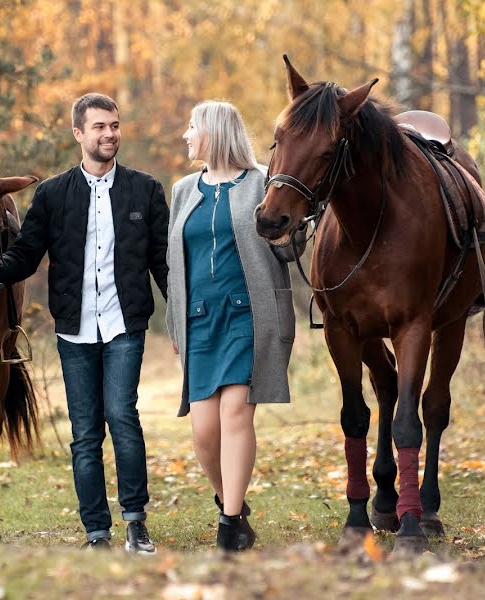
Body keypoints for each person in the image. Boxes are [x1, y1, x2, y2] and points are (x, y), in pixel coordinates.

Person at [0, 93, 169, 553]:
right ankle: (97, 533)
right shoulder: (52, 195)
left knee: (122, 417)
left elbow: (162, 262)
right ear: (78, 134)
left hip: (124, 325)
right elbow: (26, 254)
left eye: (115, 125)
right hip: (73, 329)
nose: (110, 134)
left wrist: (187, 320)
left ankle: (135, 522)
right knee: (86, 433)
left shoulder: (145, 190)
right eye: (99, 127)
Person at [165, 101, 302, 551]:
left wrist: (293, 231)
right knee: (203, 431)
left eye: (192, 127)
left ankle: (228, 528)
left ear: (214, 133)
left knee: (235, 415)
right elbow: (173, 265)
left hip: (248, 314)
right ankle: (234, 506)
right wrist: (174, 325)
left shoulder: (263, 182)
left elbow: (286, 245)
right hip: (199, 320)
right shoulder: (184, 190)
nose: (186, 135)